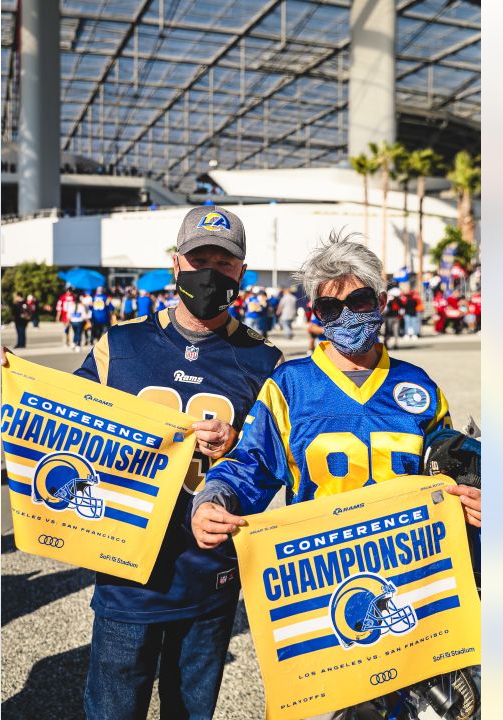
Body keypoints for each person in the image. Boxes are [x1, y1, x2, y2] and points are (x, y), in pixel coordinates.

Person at [189, 231, 481, 719]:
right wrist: (214, 498)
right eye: (329, 307)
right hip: (322, 591)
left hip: (412, 586)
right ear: (314, 315)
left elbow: (449, 471)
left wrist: (475, 496)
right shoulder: (290, 386)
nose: (346, 316)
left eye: (359, 299)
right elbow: (252, 465)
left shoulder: (418, 386)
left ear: (381, 301)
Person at [76, 206, 284, 720]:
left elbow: (273, 460)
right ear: (176, 264)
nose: (210, 272)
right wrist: (11, 378)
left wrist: (237, 441)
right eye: (198, 259)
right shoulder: (118, 344)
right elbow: (59, 418)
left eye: (223, 261)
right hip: (128, 569)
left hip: (209, 573)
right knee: (112, 713)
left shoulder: (265, 361)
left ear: (241, 272)